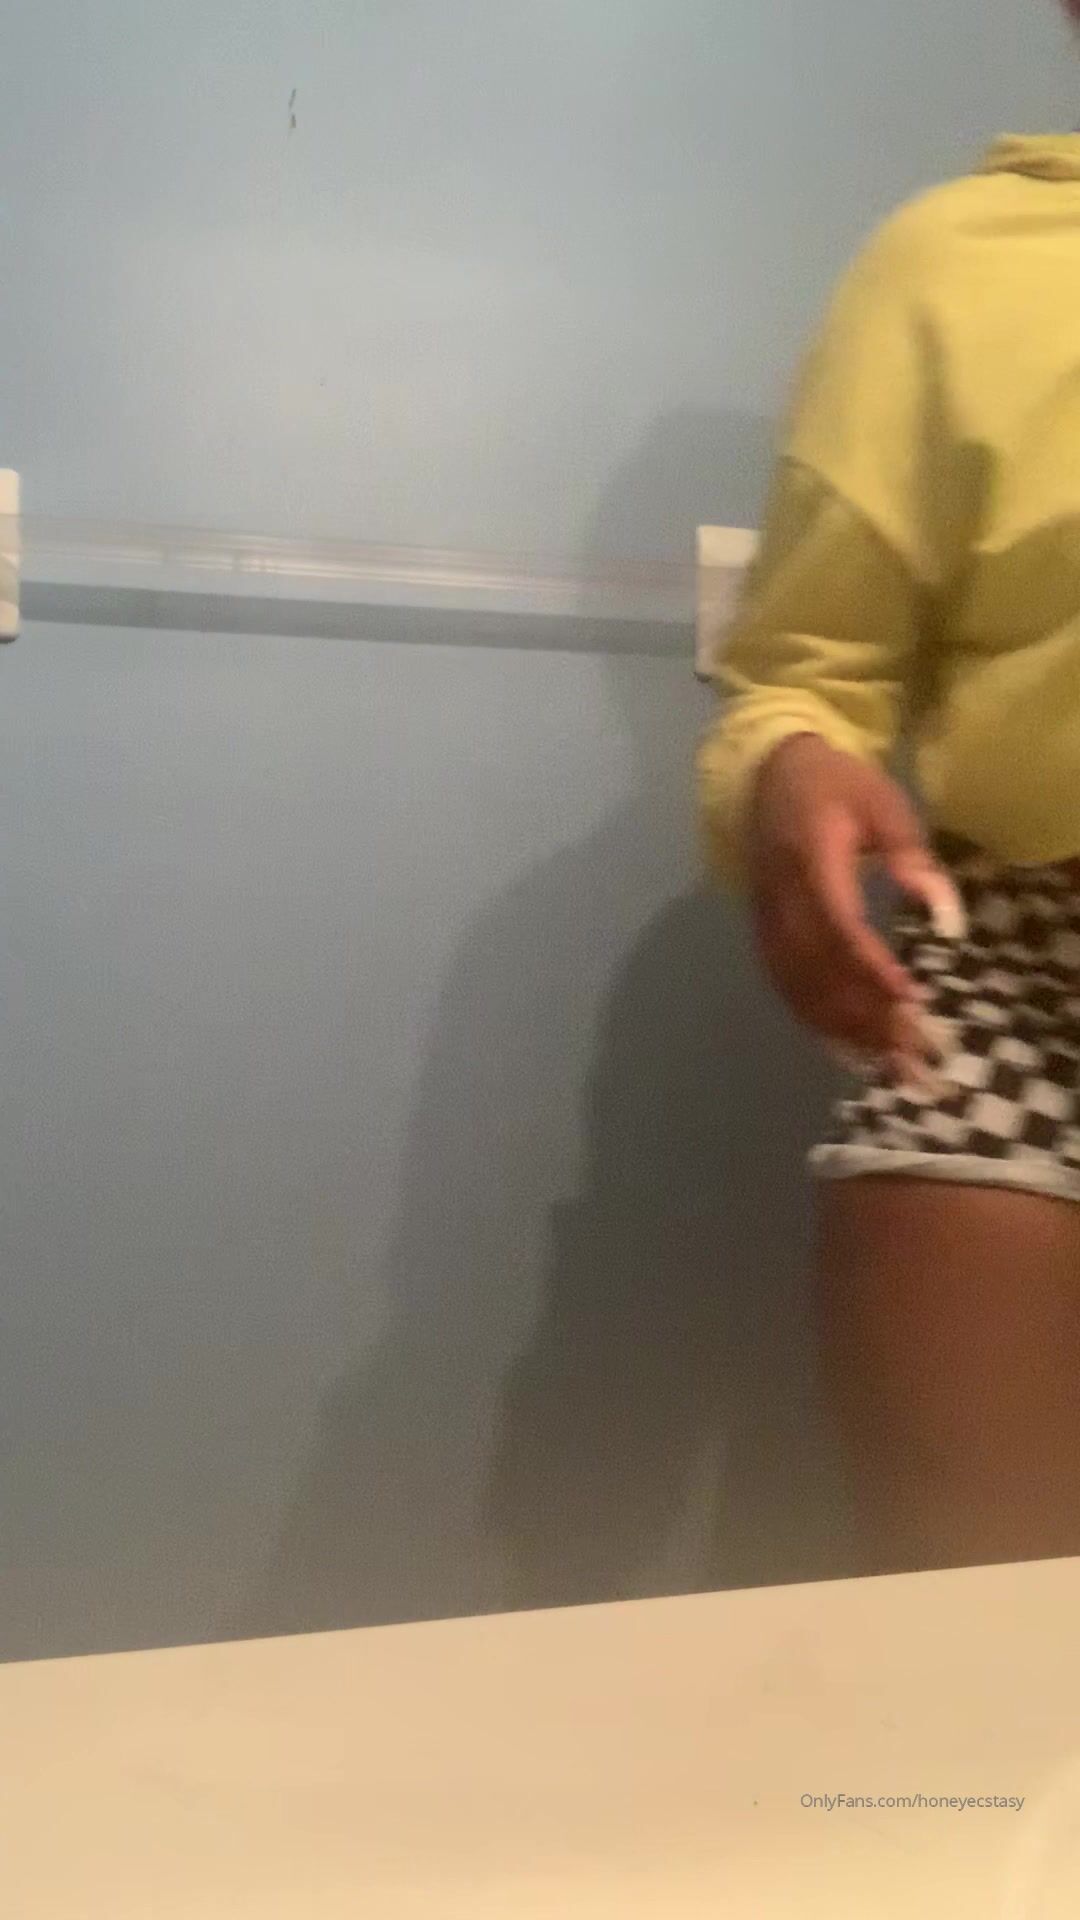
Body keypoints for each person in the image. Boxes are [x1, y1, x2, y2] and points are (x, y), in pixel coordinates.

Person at [697, 27, 1080, 1577]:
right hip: (1030, 972)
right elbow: (805, 671)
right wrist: (789, 768)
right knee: (984, 1653)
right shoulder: (955, 272)